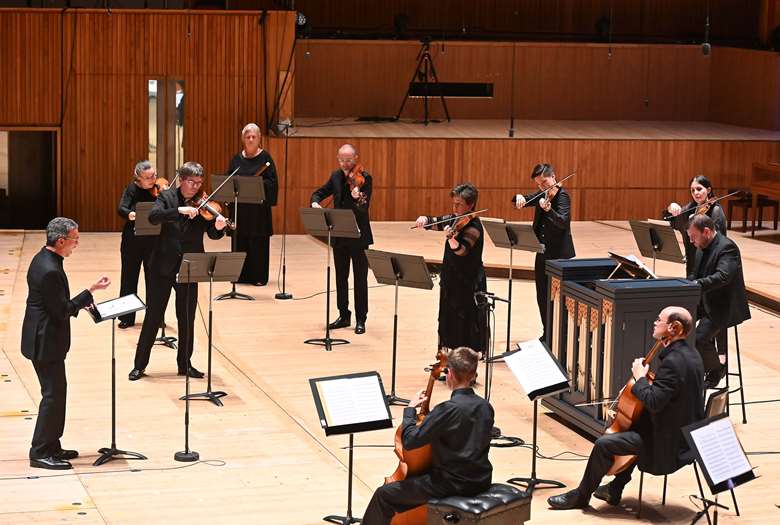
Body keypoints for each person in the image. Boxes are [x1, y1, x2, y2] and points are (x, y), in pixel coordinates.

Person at [547, 306, 704, 510]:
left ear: (674, 328)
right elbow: (669, 398)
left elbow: (655, 402)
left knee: (605, 443)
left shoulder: (673, 363)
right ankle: (615, 489)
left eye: (659, 320)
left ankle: (581, 496)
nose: (655, 323)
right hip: (683, 438)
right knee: (634, 425)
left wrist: (640, 378)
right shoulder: (692, 355)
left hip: (667, 447)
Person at [362, 347, 494, 524]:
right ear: (473, 373)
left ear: (450, 374)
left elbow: (409, 441)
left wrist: (410, 410)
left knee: (384, 494)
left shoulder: (447, 410)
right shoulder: (485, 406)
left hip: (451, 484)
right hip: (481, 480)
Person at [21, 218, 111, 469]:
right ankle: (39, 452)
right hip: (44, 341)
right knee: (52, 396)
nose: (77, 244)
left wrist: (84, 296)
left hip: (44, 337)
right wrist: (89, 293)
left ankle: (52, 445)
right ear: (60, 241)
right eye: (75, 239)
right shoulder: (49, 269)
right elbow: (61, 310)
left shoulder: (45, 258)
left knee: (57, 394)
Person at [129, 162, 226, 381]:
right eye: (191, 182)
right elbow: (154, 216)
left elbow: (211, 232)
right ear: (181, 180)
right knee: (154, 315)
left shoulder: (203, 204)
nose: (195, 187)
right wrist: (178, 211)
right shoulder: (167, 197)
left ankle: (185, 363)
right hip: (162, 265)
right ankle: (139, 365)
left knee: (187, 318)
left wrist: (218, 229)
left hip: (190, 265)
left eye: (199, 183)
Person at [415, 183, 487, 354]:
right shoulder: (455, 219)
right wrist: (425, 219)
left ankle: (465, 366)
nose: (454, 207)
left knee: (464, 325)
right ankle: (448, 363)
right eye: (454, 203)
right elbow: (437, 221)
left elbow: (462, 250)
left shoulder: (474, 226)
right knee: (448, 321)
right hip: (451, 280)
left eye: (459, 204)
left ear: (470, 205)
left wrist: (452, 239)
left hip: (467, 284)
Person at [311, 143, 373, 334]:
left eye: (348, 160)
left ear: (356, 158)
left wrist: (357, 198)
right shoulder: (336, 176)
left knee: (360, 278)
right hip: (340, 235)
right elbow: (320, 192)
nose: (345, 164)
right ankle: (344, 315)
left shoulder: (366, 178)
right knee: (341, 278)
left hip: (359, 236)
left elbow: (364, 207)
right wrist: (314, 202)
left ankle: (361, 319)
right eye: (342, 160)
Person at [687, 214, 750, 389]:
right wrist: (686, 283)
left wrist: (696, 284)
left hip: (724, 306)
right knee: (675, 323)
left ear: (706, 231)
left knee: (698, 339)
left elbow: (723, 277)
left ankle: (716, 369)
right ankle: (690, 371)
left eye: (693, 237)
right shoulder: (701, 246)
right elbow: (695, 274)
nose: (691, 241)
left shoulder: (727, 247)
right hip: (706, 301)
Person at [513, 163, 575, 342]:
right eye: (539, 185)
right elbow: (525, 199)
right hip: (541, 253)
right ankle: (547, 333)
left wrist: (549, 210)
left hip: (559, 256)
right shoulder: (543, 194)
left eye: (545, 183)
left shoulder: (563, 197)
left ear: (554, 177)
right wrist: (518, 197)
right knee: (541, 295)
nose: (542, 187)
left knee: (557, 298)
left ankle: (560, 336)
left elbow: (563, 223)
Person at [226, 123, 278, 286]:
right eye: (247, 137)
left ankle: (258, 277)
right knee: (240, 241)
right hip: (240, 211)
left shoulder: (266, 159)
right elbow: (229, 181)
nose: (250, 139)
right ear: (243, 139)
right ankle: (240, 275)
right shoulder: (236, 159)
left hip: (258, 212)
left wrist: (256, 184)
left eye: (253, 136)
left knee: (258, 244)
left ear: (259, 139)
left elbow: (273, 183)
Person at [116, 160, 159, 328]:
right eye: (148, 177)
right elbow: (121, 208)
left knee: (154, 281)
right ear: (138, 179)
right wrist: (131, 214)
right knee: (129, 279)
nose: (153, 180)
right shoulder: (131, 189)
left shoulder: (159, 190)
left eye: (154, 175)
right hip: (132, 241)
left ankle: (154, 317)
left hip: (153, 241)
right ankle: (127, 318)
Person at [665, 175, 727, 277]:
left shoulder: (715, 211)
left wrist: (698, 224)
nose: (695, 193)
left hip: (708, 263)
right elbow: (672, 221)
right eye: (692, 190)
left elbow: (716, 239)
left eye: (699, 189)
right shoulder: (691, 207)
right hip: (692, 261)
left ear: (708, 190)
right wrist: (670, 208)